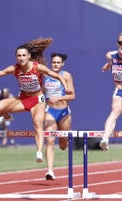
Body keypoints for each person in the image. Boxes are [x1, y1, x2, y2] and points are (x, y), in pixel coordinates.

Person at [0, 37, 72, 162]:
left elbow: (57, 76)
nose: (21, 58)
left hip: (37, 100)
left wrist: (66, 86)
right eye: (19, 55)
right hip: (22, 99)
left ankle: (39, 152)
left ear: (29, 56)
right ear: (16, 57)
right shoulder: (14, 69)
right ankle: (7, 117)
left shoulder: (37, 67)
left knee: (37, 125)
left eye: (24, 55)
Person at [43, 52, 75, 180]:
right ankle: (50, 171)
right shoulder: (45, 75)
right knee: (50, 140)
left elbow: (73, 96)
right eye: (54, 62)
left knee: (63, 145)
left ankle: (65, 140)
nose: (55, 65)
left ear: (62, 64)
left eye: (58, 63)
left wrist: (59, 98)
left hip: (64, 113)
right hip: (50, 112)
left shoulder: (66, 76)